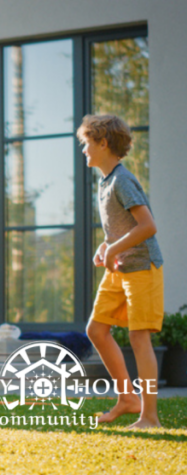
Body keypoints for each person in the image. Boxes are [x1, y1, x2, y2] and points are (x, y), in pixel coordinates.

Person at [80, 114, 164, 429]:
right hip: (120, 268)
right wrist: (106, 246)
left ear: (104, 143)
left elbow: (148, 226)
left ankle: (150, 416)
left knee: (139, 337)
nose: (84, 151)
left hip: (142, 267)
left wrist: (113, 248)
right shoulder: (105, 183)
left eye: (87, 144)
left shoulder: (122, 180)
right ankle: (128, 398)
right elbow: (121, 228)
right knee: (96, 329)